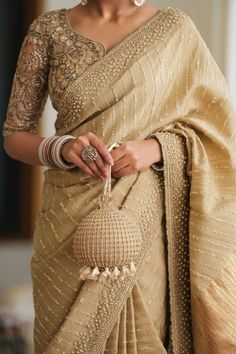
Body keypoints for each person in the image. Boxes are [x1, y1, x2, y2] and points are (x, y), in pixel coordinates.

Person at [2, 0, 236, 352]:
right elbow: (14, 136)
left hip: (141, 226)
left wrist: (156, 148)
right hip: (66, 225)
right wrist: (62, 148)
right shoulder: (47, 31)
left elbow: (217, 128)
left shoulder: (174, 30)